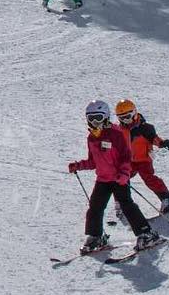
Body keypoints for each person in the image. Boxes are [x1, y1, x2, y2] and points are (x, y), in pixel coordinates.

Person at [67, 101, 161, 254]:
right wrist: (78, 165)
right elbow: (93, 161)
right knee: (95, 208)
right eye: (91, 118)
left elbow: (126, 157)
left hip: (119, 178)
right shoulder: (91, 138)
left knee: (127, 205)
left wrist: (124, 174)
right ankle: (96, 237)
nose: (94, 122)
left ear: (106, 116)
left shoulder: (116, 133)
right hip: (103, 180)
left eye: (98, 117)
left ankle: (147, 234)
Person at [116, 99, 169, 216]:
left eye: (128, 117)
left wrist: (162, 143)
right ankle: (122, 202)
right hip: (128, 161)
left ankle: (167, 199)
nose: (126, 121)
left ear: (134, 113)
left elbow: (154, 138)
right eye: (122, 118)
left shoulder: (145, 128)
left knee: (149, 179)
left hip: (143, 159)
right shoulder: (119, 130)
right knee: (120, 179)